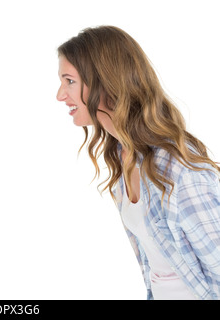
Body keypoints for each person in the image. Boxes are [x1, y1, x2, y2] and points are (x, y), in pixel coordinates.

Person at [56, 25, 220, 300]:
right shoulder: (123, 156)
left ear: (104, 81)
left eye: (69, 81)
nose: (60, 95)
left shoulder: (179, 170)